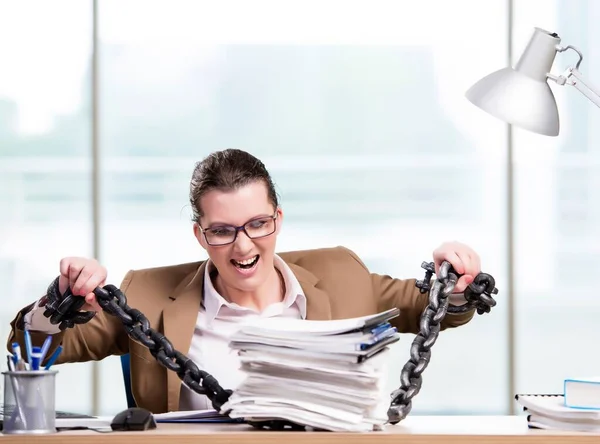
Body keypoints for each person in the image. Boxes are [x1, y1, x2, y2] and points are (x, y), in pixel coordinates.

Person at [7, 148, 484, 414]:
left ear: (277, 218)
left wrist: (455, 278)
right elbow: (31, 349)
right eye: (222, 230)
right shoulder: (148, 295)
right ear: (200, 234)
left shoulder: (341, 274)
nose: (243, 246)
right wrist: (62, 298)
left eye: (257, 224)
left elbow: (434, 308)